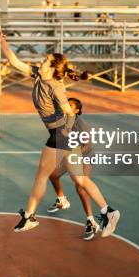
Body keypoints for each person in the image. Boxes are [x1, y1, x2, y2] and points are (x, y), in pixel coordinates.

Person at [0, 27, 120, 237]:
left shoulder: (55, 86)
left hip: (60, 133)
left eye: (46, 60)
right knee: (79, 180)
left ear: (52, 68)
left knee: (41, 176)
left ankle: (29, 217)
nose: (42, 62)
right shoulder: (38, 74)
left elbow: (70, 112)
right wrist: (1, 42)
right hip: (63, 135)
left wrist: (65, 134)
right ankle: (109, 211)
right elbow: (15, 62)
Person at [45, 98, 99, 240]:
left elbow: (87, 144)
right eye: (66, 104)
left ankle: (91, 222)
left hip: (84, 156)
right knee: (52, 174)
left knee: (80, 187)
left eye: (70, 105)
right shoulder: (61, 119)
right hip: (69, 154)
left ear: (76, 110)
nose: (66, 106)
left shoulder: (81, 124)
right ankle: (62, 200)